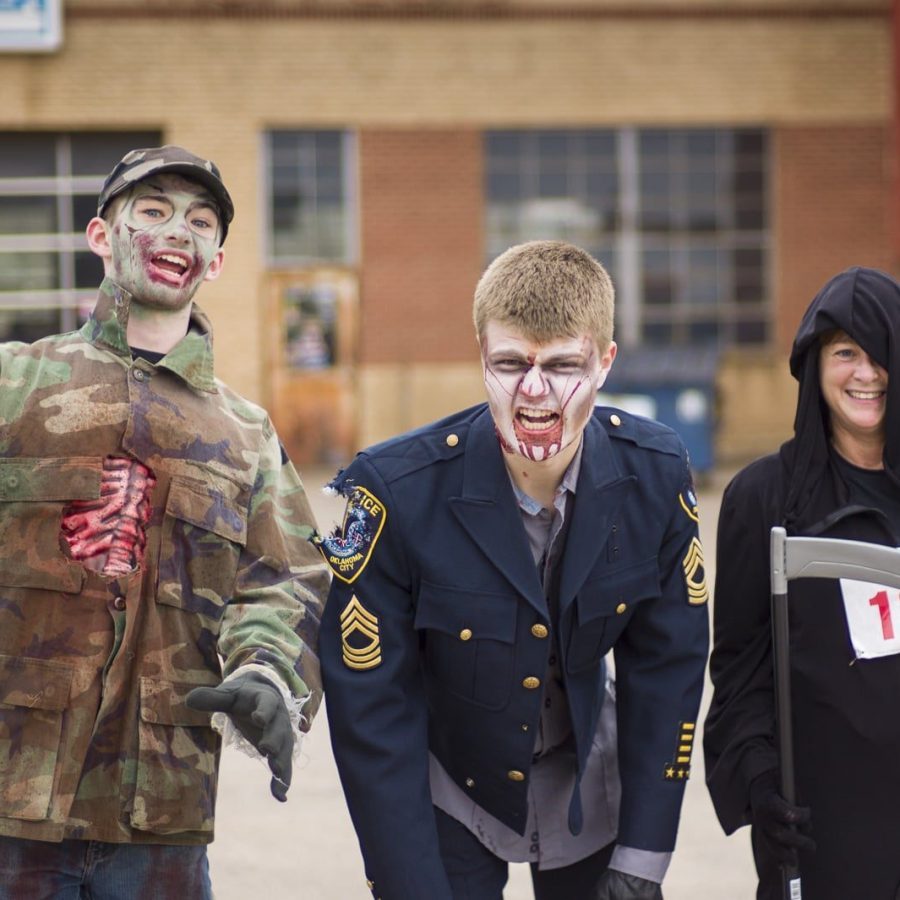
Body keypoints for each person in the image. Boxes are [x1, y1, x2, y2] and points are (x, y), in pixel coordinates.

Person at [318, 240, 710, 900]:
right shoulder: (389, 490)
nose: (534, 391)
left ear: (605, 362)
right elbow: (369, 708)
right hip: (450, 782)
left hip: (588, 771)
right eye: (509, 363)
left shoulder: (656, 474)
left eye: (562, 365)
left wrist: (644, 853)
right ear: (480, 357)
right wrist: (404, 878)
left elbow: (668, 669)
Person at [0, 145, 329, 898]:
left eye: (200, 221)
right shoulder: (14, 385)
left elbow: (284, 580)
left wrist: (267, 672)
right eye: (152, 211)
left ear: (214, 263)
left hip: (160, 819)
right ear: (100, 235)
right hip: (12, 803)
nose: (177, 230)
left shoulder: (245, 435)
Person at [704, 266, 900, 899]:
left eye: (881, 354)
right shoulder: (765, 497)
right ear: (814, 364)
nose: (864, 374)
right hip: (823, 826)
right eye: (845, 353)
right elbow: (738, 671)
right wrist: (760, 783)